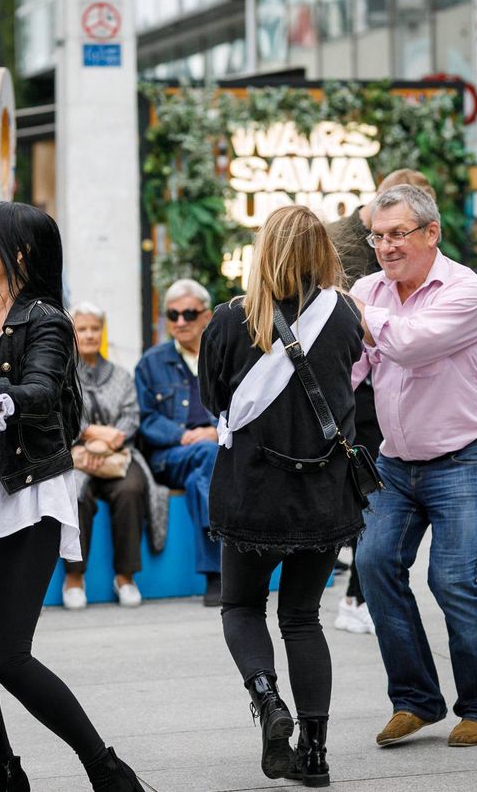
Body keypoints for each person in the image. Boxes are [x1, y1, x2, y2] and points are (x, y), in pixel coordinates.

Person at [0, 202, 142, 792]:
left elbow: (42, 392)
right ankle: (4, 773)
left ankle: (108, 771)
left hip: (24, 492)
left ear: (18, 252)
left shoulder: (47, 321)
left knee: (4, 654)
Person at [200, 205, 366, 786]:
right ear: (323, 250)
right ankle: (315, 755)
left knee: (242, 607)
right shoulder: (345, 315)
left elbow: (213, 399)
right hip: (324, 494)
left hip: (252, 494)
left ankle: (269, 702)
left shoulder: (228, 320)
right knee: (303, 617)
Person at [351, 184, 477, 749]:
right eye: (377, 235)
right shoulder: (368, 292)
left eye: (398, 234)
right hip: (397, 461)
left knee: (451, 578)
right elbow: (350, 369)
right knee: (373, 565)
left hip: (463, 456)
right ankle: (416, 700)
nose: (385, 247)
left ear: (431, 233)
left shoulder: (465, 290)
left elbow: (411, 345)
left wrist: (355, 312)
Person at [323, 168, 436, 636]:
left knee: (370, 497)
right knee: (367, 495)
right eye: (387, 234)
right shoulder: (340, 243)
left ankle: (358, 593)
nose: (392, 245)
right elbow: (337, 315)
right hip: (357, 384)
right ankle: (356, 594)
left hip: (384, 384)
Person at [64, 301, 158, 610]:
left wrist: (110, 441)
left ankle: (125, 577)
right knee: (76, 494)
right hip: (79, 455)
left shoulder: (120, 375)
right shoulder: (63, 375)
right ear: (72, 333)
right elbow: (62, 416)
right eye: (82, 329)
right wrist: (91, 437)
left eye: (94, 329)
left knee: (131, 489)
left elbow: (131, 417)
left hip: (119, 455)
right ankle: (74, 577)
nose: (89, 335)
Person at [135, 279, 222, 605]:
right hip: (167, 457)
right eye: (173, 315)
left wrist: (216, 429)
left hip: (213, 453)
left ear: (206, 316)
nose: (181, 322)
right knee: (205, 454)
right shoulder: (151, 362)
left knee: (203, 466)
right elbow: (145, 418)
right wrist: (183, 435)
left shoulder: (223, 358)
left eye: (188, 313)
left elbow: (241, 406)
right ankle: (217, 572)